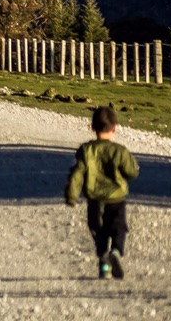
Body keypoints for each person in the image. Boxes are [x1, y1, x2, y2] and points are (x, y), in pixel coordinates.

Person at [65, 104, 139, 279]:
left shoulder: (86, 150)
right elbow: (131, 172)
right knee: (119, 228)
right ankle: (116, 252)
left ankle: (104, 265)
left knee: (99, 231)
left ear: (92, 128)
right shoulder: (120, 151)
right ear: (115, 128)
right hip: (116, 198)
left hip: (95, 199)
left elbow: (77, 173)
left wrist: (71, 195)